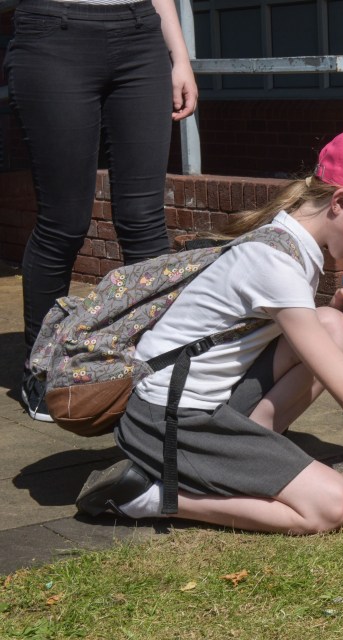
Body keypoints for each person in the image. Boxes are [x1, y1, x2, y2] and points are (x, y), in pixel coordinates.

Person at [75, 127, 343, 534]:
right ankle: (144, 493)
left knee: (334, 325)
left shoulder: (291, 241)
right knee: (329, 504)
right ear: (340, 202)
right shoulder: (275, 263)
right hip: (169, 420)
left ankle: (250, 451)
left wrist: (333, 309)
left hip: (205, 397)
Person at [5, 0, 198, 421]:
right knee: (64, 222)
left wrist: (179, 58)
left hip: (141, 35)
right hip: (54, 33)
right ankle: (42, 369)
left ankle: (155, 365)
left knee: (145, 220)